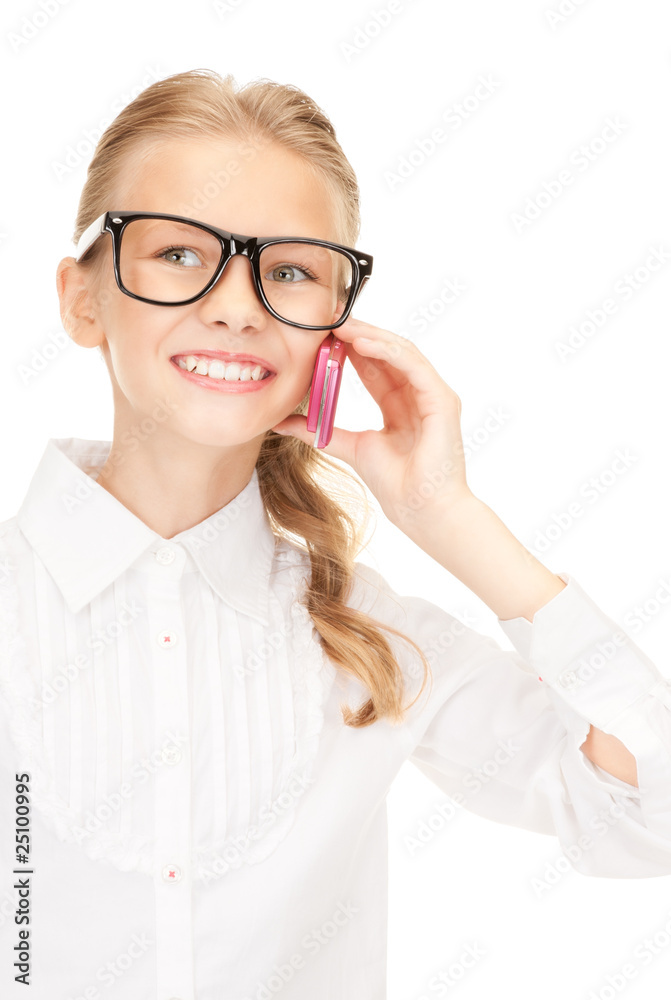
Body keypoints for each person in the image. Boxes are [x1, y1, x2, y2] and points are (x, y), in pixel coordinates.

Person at [0, 67, 669, 1000]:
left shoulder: (373, 639)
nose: (236, 305)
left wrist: (448, 518)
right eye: (180, 253)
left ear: (335, 336)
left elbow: (646, 817)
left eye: (288, 271)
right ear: (82, 300)